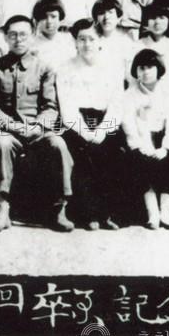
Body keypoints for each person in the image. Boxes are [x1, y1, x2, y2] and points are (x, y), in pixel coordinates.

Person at [0, 15, 73, 232]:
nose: (18, 40)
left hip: (37, 131)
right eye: (13, 35)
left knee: (58, 144)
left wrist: (38, 126)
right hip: (8, 130)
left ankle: (59, 208)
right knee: (1, 143)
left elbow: (51, 107)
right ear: (5, 37)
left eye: (23, 34)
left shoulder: (44, 68)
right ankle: (1, 208)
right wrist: (13, 126)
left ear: (32, 36)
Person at [56, 19, 125, 231]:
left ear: (100, 40)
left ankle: (108, 214)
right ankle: (88, 214)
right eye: (82, 39)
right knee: (82, 155)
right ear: (75, 42)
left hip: (105, 122)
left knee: (113, 152)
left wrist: (102, 130)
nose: (87, 44)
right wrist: (85, 132)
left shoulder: (113, 66)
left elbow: (117, 104)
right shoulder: (65, 68)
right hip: (76, 123)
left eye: (91, 39)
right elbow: (66, 106)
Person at [122, 49, 169, 230]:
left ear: (159, 69)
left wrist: (165, 148)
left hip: (164, 139)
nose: (146, 72)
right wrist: (142, 146)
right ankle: (153, 214)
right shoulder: (130, 94)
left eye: (150, 67)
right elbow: (128, 123)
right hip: (141, 141)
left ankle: (166, 214)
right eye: (141, 68)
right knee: (143, 167)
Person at [92, 0, 142, 86]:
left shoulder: (126, 43)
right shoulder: (91, 41)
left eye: (110, 12)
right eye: (101, 13)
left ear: (119, 17)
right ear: (96, 18)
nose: (106, 17)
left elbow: (131, 77)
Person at [32, 0, 76, 70]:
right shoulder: (32, 44)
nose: (49, 21)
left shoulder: (68, 39)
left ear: (60, 19)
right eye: (44, 17)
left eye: (53, 16)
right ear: (37, 21)